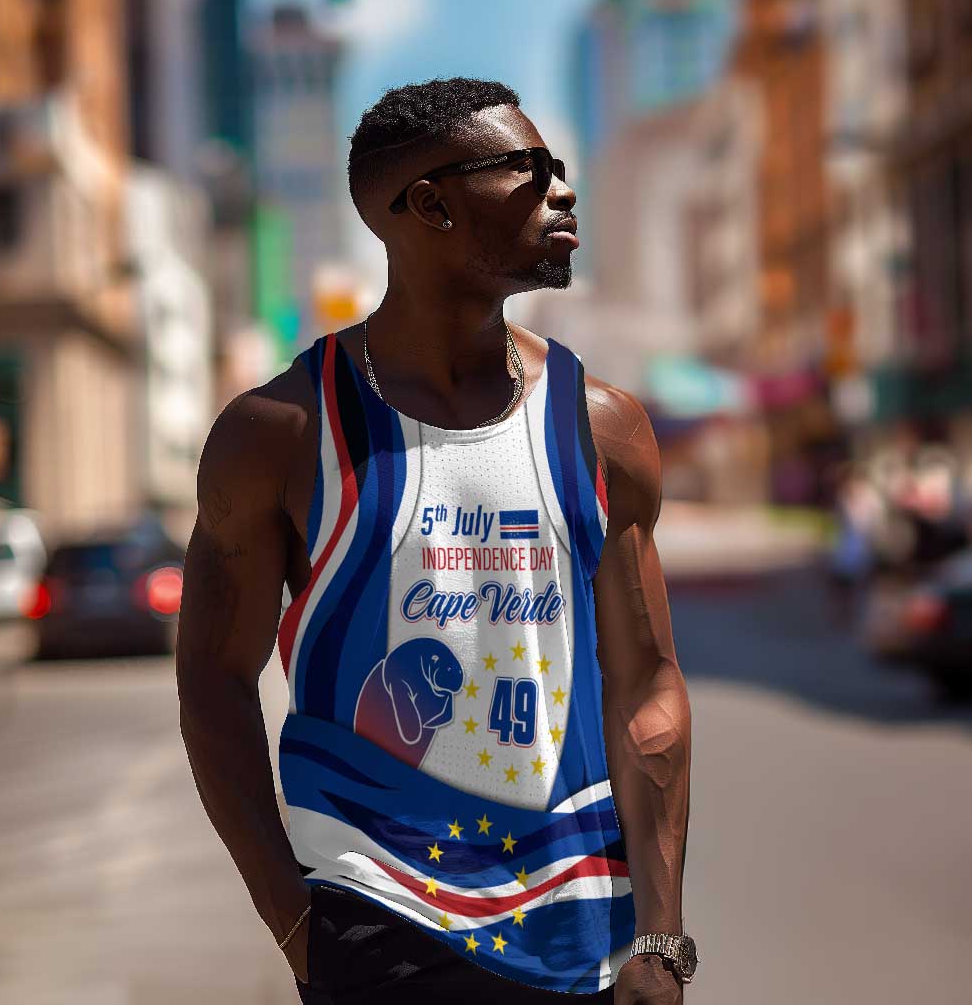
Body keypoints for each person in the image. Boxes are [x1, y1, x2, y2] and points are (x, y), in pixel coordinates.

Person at [176, 77, 694, 1004]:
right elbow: (214, 680)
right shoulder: (283, 432)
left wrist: (660, 934)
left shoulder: (601, 425)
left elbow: (646, 680)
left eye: (561, 170)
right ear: (429, 204)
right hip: (380, 920)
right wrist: (297, 924)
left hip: (584, 928)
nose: (561, 192)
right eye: (529, 171)